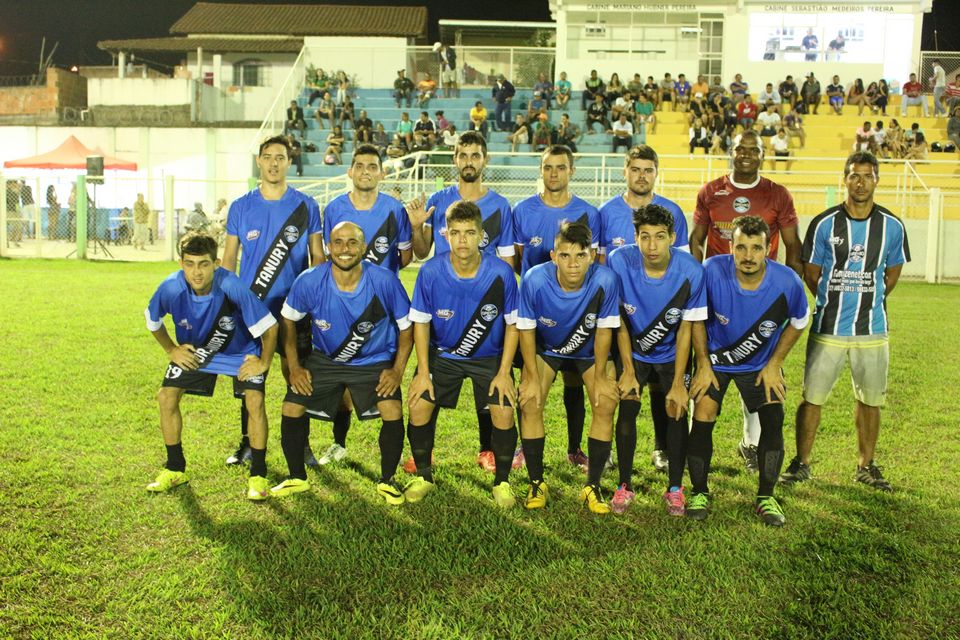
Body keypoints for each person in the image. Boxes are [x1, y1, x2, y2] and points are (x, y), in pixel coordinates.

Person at [781, 152, 910, 493]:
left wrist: (872, 297)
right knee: (812, 398)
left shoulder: (892, 226)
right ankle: (802, 462)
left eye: (867, 175)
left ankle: (866, 465)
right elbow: (812, 274)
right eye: (854, 175)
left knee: (871, 400)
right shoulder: (825, 224)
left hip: (873, 328)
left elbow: (892, 272)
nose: (861, 181)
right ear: (845, 179)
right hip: (828, 327)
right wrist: (832, 298)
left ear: (877, 180)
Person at [272, 220, 413, 502]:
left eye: (352, 243)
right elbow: (287, 321)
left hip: (373, 360)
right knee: (291, 406)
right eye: (337, 242)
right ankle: (297, 478)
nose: (344, 249)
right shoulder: (310, 280)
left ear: (363, 248)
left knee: (392, 409)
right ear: (328, 247)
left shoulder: (385, 281)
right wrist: (296, 367)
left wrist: (397, 371)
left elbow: (408, 329)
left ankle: (387, 480)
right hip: (325, 360)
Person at [689, 130, 802, 473]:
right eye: (741, 149)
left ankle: (752, 444)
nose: (747, 154)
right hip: (718, 295)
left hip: (761, 296)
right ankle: (697, 452)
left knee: (756, 368)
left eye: (754, 150)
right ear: (731, 151)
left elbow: (793, 245)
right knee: (712, 368)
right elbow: (695, 240)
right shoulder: (711, 191)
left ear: (763, 154)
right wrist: (698, 283)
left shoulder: (777, 194)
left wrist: (789, 285)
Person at [406, 131, 518, 474]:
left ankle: (488, 450)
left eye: (475, 155)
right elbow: (423, 252)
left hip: (484, 304)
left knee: (490, 393)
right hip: (444, 302)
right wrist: (416, 228)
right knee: (432, 381)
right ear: (455, 159)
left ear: (485, 160)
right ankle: (424, 453)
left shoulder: (500, 205)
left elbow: (507, 261)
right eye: (463, 155)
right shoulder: (439, 200)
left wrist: (495, 298)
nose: (469, 161)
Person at [686, 215, 808, 526]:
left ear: (770, 248)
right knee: (703, 413)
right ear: (731, 247)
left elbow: (799, 322)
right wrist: (701, 364)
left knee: (773, 416)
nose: (749, 256)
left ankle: (766, 497)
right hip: (715, 361)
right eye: (741, 247)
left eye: (756, 248)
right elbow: (696, 317)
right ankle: (699, 491)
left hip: (759, 364)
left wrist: (775, 363)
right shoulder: (712, 270)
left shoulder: (787, 282)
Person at [144, 233, 278, 500]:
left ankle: (258, 475)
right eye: (190, 263)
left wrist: (263, 363)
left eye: (203, 264)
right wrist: (172, 349)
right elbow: (152, 321)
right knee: (166, 396)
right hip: (197, 353)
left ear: (216, 263)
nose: (196, 272)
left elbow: (270, 327)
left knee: (255, 401)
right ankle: (175, 469)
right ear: (181, 263)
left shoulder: (232, 286)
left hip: (240, 353)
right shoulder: (170, 287)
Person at [222, 135, 324, 467]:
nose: (274, 163)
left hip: (294, 310)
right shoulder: (240, 207)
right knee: (250, 377)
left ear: (288, 162)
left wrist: (312, 299)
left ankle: (302, 446)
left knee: (297, 375)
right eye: (268, 157)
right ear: (259, 162)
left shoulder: (306, 205)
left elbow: (318, 259)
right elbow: (227, 263)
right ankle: (248, 445)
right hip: (252, 309)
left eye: (280, 157)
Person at [517, 222, 621, 514]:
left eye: (580, 255)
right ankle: (537, 481)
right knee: (530, 400)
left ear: (591, 255)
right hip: (548, 350)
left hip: (589, 352)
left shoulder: (606, 280)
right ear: (553, 256)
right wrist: (532, 377)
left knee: (605, 400)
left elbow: (604, 331)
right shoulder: (534, 280)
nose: (573, 263)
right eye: (565, 255)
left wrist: (601, 376)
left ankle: (593, 486)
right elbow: (526, 331)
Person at [608, 204, 706, 515]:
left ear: (672, 238)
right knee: (627, 408)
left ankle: (675, 488)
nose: (652, 246)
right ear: (634, 237)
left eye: (660, 237)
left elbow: (686, 329)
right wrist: (626, 369)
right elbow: (620, 320)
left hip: (671, 353)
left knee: (676, 409)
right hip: (632, 350)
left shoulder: (691, 270)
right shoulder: (618, 262)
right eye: (645, 237)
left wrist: (679, 381)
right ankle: (625, 484)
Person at [598, 145, 690, 474]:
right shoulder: (606, 212)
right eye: (635, 169)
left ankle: (662, 449)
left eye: (648, 170)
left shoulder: (673, 211)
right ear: (625, 171)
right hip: (621, 317)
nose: (641, 175)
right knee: (614, 384)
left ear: (656, 173)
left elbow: (681, 268)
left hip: (663, 317)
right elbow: (599, 267)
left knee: (661, 386)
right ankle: (606, 447)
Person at [514, 145, 602, 470]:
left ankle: (575, 448)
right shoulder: (522, 210)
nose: (554, 173)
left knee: (574, 381)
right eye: (548, 167)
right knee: (532, 381)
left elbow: (595, 264)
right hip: (537, 318)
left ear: (571, 170)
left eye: (560, 167)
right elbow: (518, 262)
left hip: (578, 318)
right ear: (541, 170)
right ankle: (526, 447)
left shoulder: (590, 213)